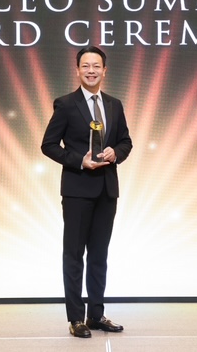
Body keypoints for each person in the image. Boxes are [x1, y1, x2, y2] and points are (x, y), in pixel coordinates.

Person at [41, 46, 133, 338]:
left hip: (107, 190)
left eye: (96, 66)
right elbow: (49, 145)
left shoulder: (114, 104)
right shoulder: (66, 104)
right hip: (77, 190)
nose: (91, 70)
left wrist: (115, 152)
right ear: (77, 70)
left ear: (105, 71)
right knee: (74, 255)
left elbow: (126, 142)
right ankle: (75, 319)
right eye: (85, 66)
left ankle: (96, 315)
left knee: (99, 255)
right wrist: (78, 160)